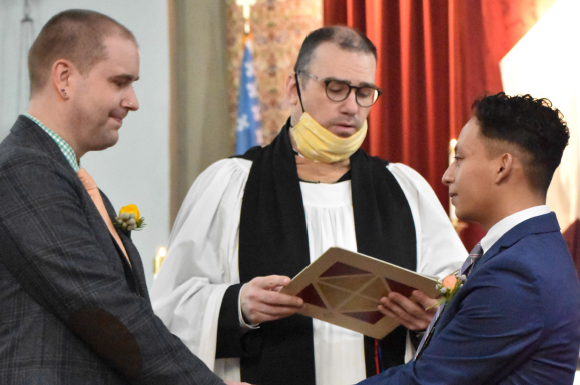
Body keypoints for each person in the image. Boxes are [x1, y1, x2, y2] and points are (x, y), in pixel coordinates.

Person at [151, 26, 466, 385]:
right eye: (335, 88)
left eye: (364, 93)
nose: (351, 107)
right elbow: (168, 308)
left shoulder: (404, 189)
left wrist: (432, 314)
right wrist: (236, 305)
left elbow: (458, 296)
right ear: (293, 88)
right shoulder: (231, 186)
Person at [0, 9, 244, 385]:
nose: (133, 101)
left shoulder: (66, 177)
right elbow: (102, 307)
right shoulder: (22, 170)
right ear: (64, 78)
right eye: (119, 82)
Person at [358, 93, 580, 384]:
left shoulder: (516, 273)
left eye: (459, 159)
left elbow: (425, 381)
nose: (446, 176)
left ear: (502, 166)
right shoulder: (529, 249)